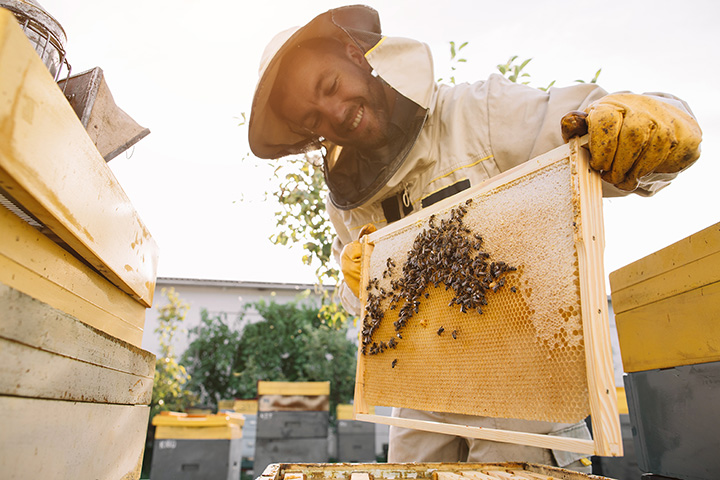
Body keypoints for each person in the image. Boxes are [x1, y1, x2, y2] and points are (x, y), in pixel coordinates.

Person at [248, 4, 702, 471]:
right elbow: (363, 308)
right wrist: (357, 282)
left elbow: (600, 137)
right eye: (313, 118)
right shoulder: (348, 199)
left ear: (355, 55)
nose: (335, 113)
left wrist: (658, 120)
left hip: (524, 386)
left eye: (330, 86)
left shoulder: (477, 113)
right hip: (419, 398)